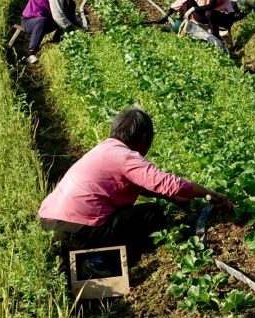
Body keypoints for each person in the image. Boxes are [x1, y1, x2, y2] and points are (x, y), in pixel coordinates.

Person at [39, 108, 228, 256]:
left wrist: (174, 199)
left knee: (125, 214)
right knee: (152, 214)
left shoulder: (105, 150)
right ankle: (124, 255)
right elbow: (169, 183)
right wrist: (209, 193)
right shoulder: (126, 157)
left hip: (50, 222)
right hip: (79, 229)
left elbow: (140, 185)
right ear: (145, 138)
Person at [20, 0, 89, 64]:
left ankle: (57, 40)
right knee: (42, 21)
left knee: (71, 5)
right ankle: (31, 53)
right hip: (30, 21)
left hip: (47, 20)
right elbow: (58, 16)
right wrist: (72, 30)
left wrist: (81, 26)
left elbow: (69, 15)